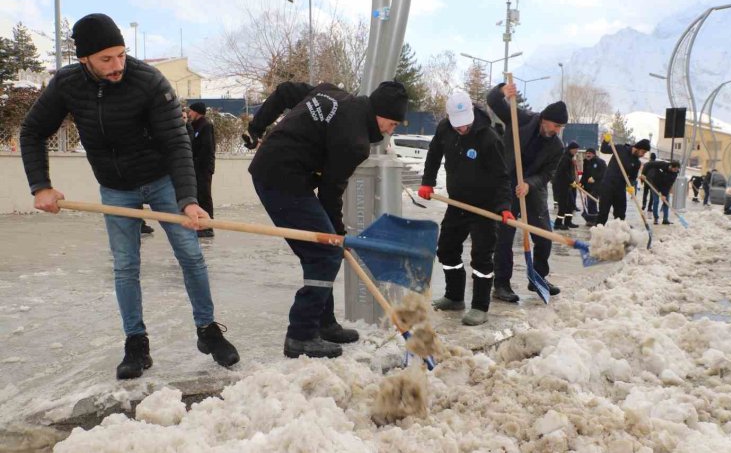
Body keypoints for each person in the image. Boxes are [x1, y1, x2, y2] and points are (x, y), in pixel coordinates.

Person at [19, 13, 239, 380]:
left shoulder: (149, 81)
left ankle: (207, 330)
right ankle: (136, 343)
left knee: (190, 254)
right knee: (125, 265)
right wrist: (40, 185)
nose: (117, 65)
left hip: (162, 180)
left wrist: (188, 199)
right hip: (116, 188)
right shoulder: (67, 84)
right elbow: (32, 131)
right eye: (106, 59)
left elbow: (177, 142)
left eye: (121, 54)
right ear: (84, 58)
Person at [247, 79, 409, 359]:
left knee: (324, 251)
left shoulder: (330, 91)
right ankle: (301, 335)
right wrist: (337, 234)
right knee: (324, 253)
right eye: (392, 123)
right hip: (281, 179)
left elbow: (286, 91)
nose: (390, 130)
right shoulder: (355, 141)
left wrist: (256, 126)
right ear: (379, 113)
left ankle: (324, 323)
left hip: (277, 170)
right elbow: (331, 192)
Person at [418, 92, 511, 326]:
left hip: (484, 207)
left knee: (481, 257)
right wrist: (427, 181)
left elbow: (502, 177)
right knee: (447, 249)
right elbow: (434, 154)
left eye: (466, 124)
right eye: (458, 124)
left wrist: (504, 206)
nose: (462, 129)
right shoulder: (444, 129)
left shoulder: (488, 137)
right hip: (457, 202)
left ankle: (480, 307)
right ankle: (454, 296)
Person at [486, 82, 566, 302]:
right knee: (504, 237)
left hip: (532, 189)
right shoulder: (520, 118)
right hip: (506, 184)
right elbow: (493, 101)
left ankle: (537, 277)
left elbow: (548, 174)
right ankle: (501, 285)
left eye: (560, 127)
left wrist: (530, 184)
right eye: (556, 125)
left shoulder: (557, 147)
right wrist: (503, 91)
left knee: (544, 236)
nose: (557, 130)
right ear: (545, 119)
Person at [597, 134, 651, 225]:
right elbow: (604, 149)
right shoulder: (620, 149)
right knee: (603, 213)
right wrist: (605, 141)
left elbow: (632, 177)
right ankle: (598, 234)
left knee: (620, 214)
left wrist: (631, 185)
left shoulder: (637, 162)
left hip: (620, 188)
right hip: (607, 185)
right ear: (638, 147)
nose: (643, 154)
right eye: (643, 151)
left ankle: (618, 235)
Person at [187, 102, 216, 238]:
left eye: (191, 111)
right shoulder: (194, 126)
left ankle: (208, 226)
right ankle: (198, 224)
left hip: (203, 168)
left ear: (197, 112)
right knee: (197, 196)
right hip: (194, 168)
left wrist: (198, 163)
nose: (189, 113)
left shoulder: (206, 126)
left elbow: (206, 148)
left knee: (204, 196)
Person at [641, 159, 680, 225]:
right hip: (654, 184)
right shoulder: (662, 164)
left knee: (666, 201)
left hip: (664, 187)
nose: (676, 170)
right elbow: (648, 164)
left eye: (677, 169)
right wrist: (643, 174)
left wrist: (664, 195)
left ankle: (665, 219)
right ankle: (656, 219)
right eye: (675, 169)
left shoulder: (674, 174)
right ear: (671, 166)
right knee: (656, 201)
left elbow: (669, 184)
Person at [552, 141, 580, 230]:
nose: (576, 151)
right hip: (562, 185)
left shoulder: (569, 158)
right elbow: (564, 172)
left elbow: (569, 172)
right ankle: (558, 223)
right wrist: (571, 181)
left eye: (577, 149)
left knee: (570, 204)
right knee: (563, 205)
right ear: (571, 149)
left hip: (567, 184)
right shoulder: (565, 158)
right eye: (575, 149)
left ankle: (568, 222)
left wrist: (573, 181)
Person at [578, 147, 606, 225]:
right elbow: (585, 174)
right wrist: (581, 183)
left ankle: (595, 219)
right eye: (587, 153)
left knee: (592, 201)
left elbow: (604, 172)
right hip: (589, 186)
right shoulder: (586, 162)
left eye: (589, 153)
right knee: (588, 203)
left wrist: (595, 178)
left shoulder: (600, 162)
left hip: (598, 185)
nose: (588, 155)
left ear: (593, 154)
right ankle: (591, 219)